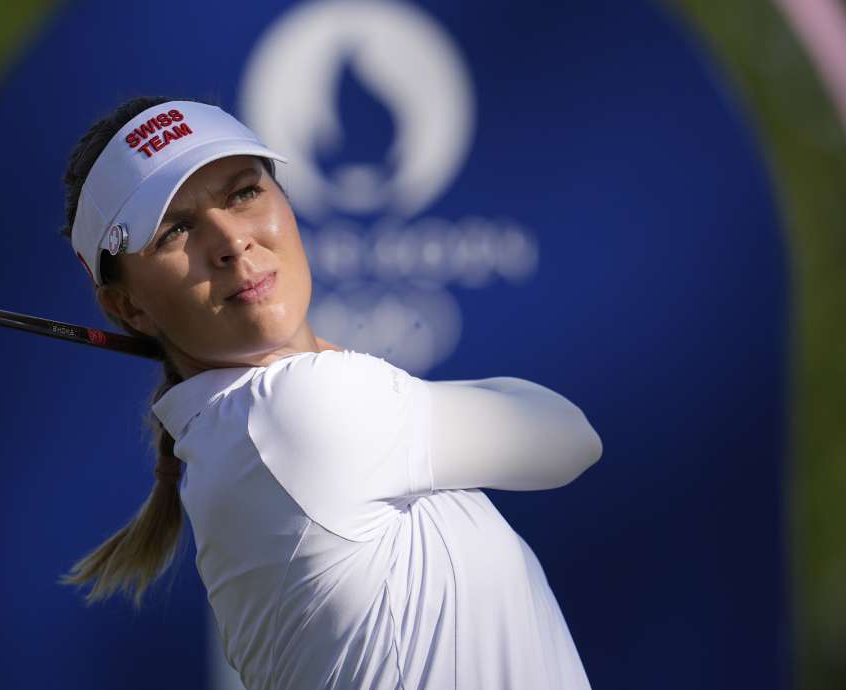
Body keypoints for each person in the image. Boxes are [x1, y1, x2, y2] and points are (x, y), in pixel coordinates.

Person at [57, 95, 603, 690]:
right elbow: (567, 436)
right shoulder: (295, 410)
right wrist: (316, 354)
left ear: (285, 202)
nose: (230, 239)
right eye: (175, 230)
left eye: (243, 192)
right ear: (126, 304)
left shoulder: (249, 428)